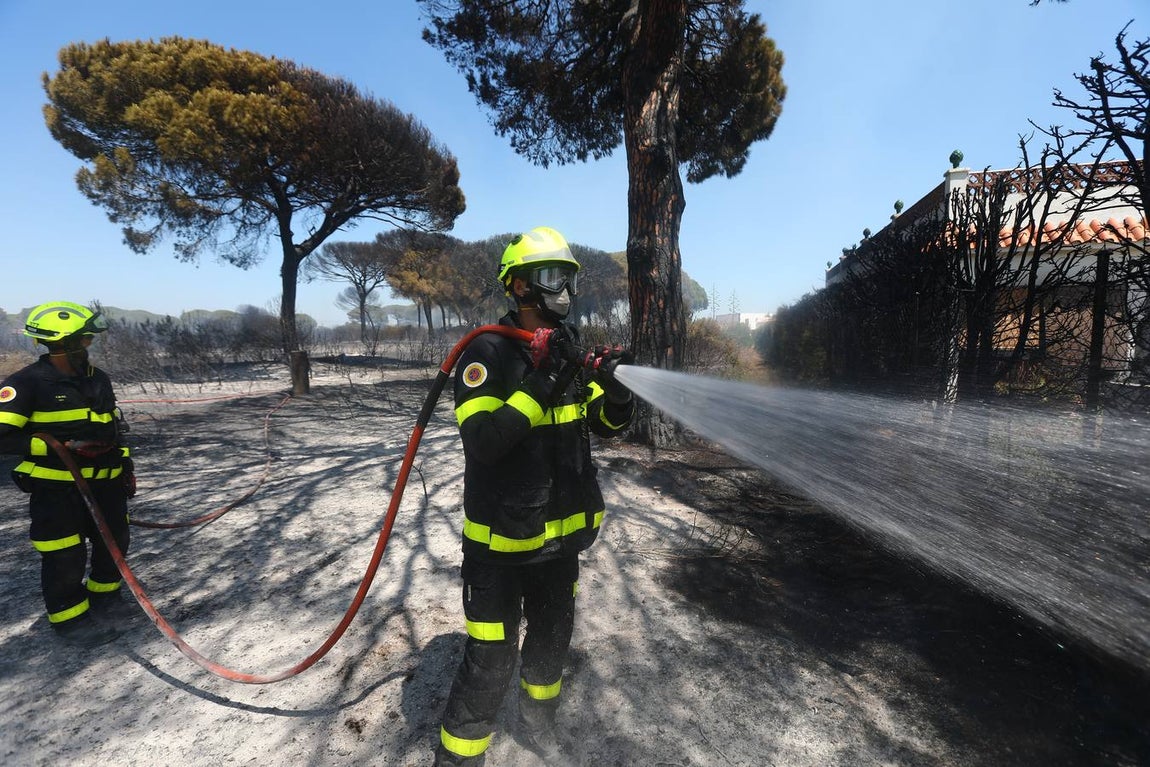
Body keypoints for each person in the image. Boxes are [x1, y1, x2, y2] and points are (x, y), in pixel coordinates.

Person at [434, 227, 636, 766]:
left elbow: (606, 423)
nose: (564, 290)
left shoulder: (567, 351)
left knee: (550, 645)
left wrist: (618, 394)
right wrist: (543, 380)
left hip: (558, 546)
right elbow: (484, 442)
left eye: (569, 278)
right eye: (551, 277)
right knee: (490, 661)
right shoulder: (487, 353)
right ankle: (458, 759)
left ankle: (537, 726)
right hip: (499, 550)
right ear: (519, 286)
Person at [0, 301, 135, 648]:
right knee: (65, 554)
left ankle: (105, 597)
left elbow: (112, 428)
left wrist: (125, 465)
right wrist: (58, 448)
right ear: (63, 342)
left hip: (107, 483)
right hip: (57, 490)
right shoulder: (26, 383)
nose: (90, 344)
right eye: (85, 338)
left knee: (115, 541)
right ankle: (70, 620)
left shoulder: (98, 379)